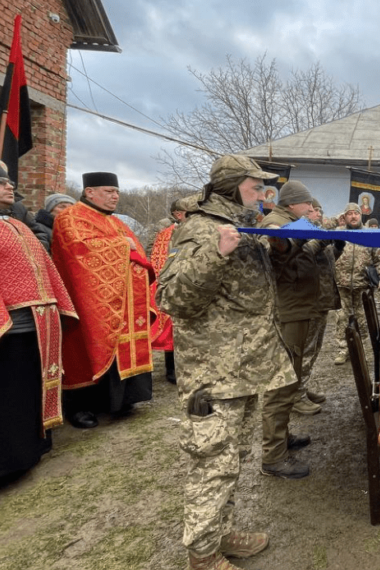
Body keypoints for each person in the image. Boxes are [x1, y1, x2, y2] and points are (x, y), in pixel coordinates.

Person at [156, 154, 293, 570]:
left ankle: (221, 533)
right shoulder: (200, 229)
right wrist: (214, 254)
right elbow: (172, 300)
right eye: (255, 187)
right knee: (212, 464)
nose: (263, 194)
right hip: (214, 376)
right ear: (233, 187)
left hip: (245, 368)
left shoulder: (243, 224)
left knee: (232, 460)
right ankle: (202, 554)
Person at [0, 157, 77, 494]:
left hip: (36, 327)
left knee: (27, 393)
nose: (10, 186)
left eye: (8, 182)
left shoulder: (17, 224)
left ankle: (30, 450)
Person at [51, 172, 156, 429]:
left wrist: (126, 246)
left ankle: (118, 401)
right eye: (109, 191)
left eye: (117, 192)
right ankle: (80, 407)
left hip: (122, 300)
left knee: (119, 348)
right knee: (84, 349)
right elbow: (79, 251)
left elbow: (136, 250)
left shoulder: (115, 221)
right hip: (85, 299)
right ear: (90, 192)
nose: (115, 196)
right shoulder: (70, 217)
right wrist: (122, 245)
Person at [258, 179, 322, 475]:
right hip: (287, 311)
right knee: (281, 384)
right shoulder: (276, 223)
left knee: (291, 377)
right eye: (307, 203)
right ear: (293, 203)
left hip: (297, 308)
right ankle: (273, 456)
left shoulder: (292, 221)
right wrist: (308, 240)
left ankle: (282, 439)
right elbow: (277, 251)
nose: (311, 208)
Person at [331, 203, 380, 365]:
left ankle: (362, 350)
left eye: (355, 213)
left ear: (360, 216)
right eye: (349, 214)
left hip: (363, 285)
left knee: (363, 319)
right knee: (342, 318)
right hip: (341, 284)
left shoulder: (369, 234)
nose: (353, 216)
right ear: (345, 217)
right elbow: (328, 254)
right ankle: (343, 350)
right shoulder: (337, 234)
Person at [299, 199, 340, 411]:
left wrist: (338, 246)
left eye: (318, 210)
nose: (317, 213)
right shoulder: (301, 233)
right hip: (309, 301)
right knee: (305, 350)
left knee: (315, 349)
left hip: (322, 299)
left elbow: (326, 261)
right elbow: (305, 258)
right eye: (313, 210)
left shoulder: (317, 233)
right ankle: (296, 397)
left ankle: (302, 388)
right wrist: (324, 238)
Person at [150, 197, 192, 385]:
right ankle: (172, 369)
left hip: (192, 286)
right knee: (173, 330)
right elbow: (160, 262)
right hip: (175, 285)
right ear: (178, 214)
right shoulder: (168, 234)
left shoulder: (194, 231)